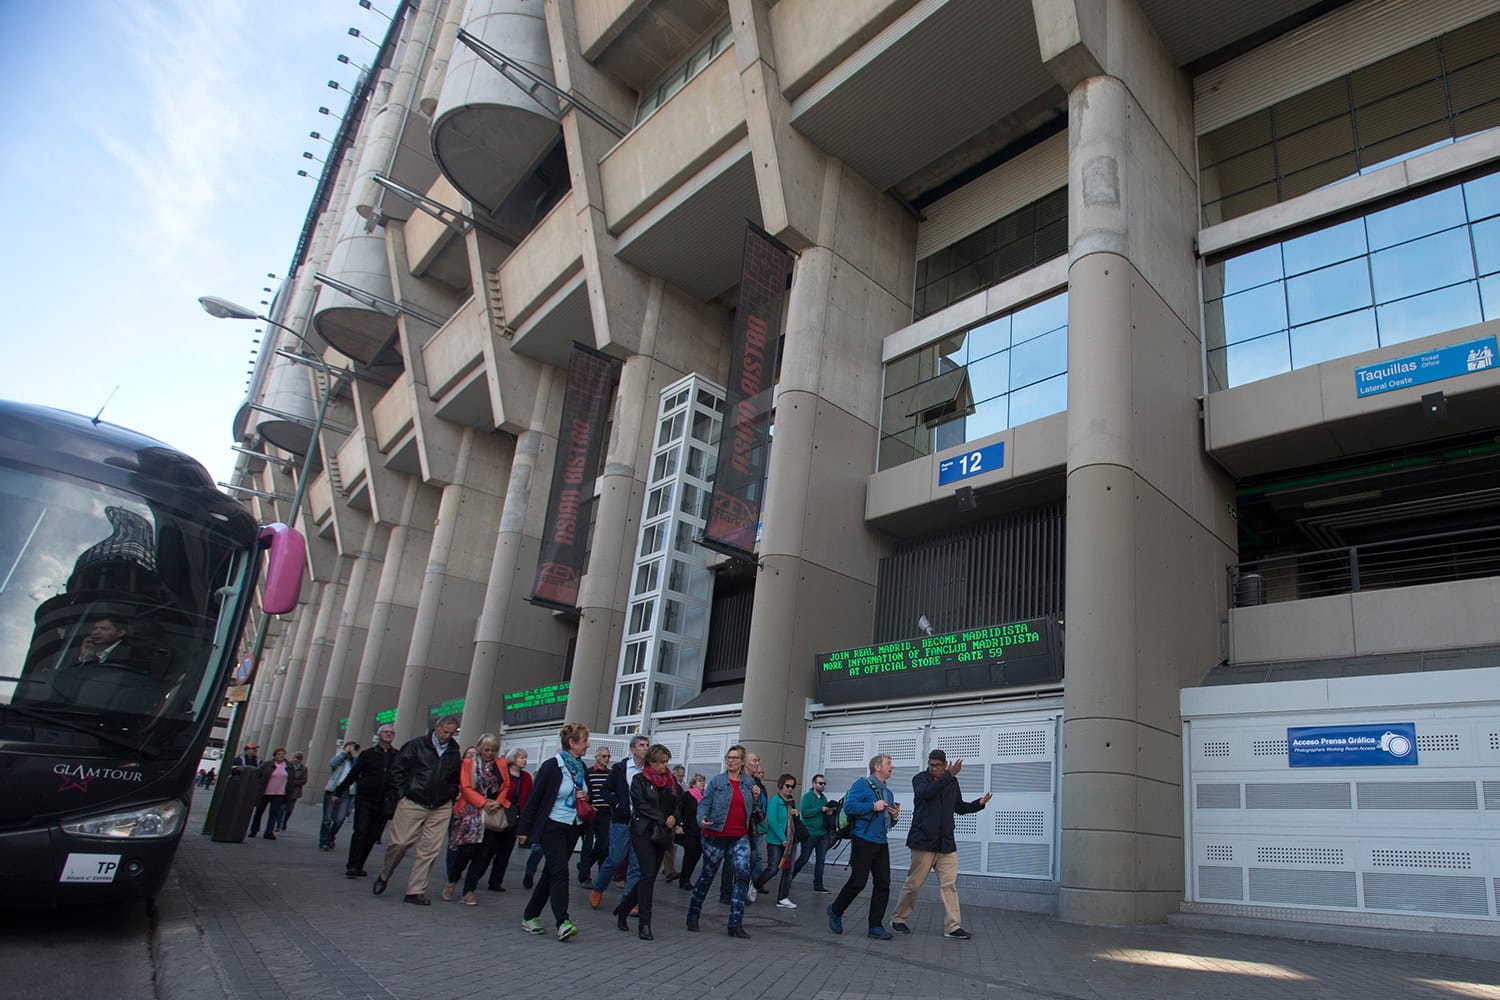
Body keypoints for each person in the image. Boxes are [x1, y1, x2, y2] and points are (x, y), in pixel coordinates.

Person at [890, 749, 991, 940]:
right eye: (931, 765)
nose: (933, 768)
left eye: (938, 765)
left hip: (946, 845)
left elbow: (959, 807)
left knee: (949, 885)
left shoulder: (951, 782)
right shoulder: (920, 779)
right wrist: (949, 775)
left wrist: (979, 803)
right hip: (923, 843)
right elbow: (926, 794)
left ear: (944, 765)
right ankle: (898, 919)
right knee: (914, 884)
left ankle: (953, 926)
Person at [372, 715, 462, 905]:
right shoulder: (416, 745)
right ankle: (385, 873)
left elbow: (454, 777)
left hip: (440, 805)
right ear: (436, 728)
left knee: (429, 850)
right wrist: (402, 795)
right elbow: (398, 770)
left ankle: (415, 890)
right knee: (400, 843)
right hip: (413, 800)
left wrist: (450, 796)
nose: (447, 736)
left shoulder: (454, 751)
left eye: (452, 733)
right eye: (445, 731)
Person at [517, 722, 591, 941]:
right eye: (584, 741)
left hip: (573, 826)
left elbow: (588, 793)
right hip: (552, 825)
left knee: (551, 872)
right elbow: (535, 799)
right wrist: (524, 830)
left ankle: (530, 916)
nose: (587, 745)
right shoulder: (552, 766)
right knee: (560, 871)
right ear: (571, 742)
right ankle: (563, 921)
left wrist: (586, 797)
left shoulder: (581, 767)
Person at [827, 753, 901, 940]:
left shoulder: (889, 792)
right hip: (863, 840)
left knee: (883, 884)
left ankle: (875, 926)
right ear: (877, 766)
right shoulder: (862, 784)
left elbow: (888, 824)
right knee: (858, 882)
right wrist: (872, 806)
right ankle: (835, 910)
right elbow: (850, 807)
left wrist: (894, 817)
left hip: (881, 842)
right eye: (888, 763)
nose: (892, 767)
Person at [686, 745, 756, 939]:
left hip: (739, 835)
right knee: (708, 875)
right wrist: (702, 819)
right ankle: (693, 914)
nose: (731, 761)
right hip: (716, 834)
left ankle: (735, 923)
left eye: (735, 758)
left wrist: (757, 798)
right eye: (729, 757)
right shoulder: (717, 781)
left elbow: (755, 809)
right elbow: (705, 804)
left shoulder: (749, 783)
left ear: (742, 762)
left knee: (742, 876)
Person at [612, 744, 677, 940]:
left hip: (661, 833)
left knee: (648, 876)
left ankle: (623, 909)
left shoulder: (670, 782)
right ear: (652, 762)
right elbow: (640, 805)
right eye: (662, 762)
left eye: (667, 762)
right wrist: (661, 817)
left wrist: (674, 817)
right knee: (647, 873)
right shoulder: (639, 780)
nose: (665, 766)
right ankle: (644, 923)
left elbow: (677, 803)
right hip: (642, 831)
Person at [443, 733, 511, 906]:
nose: (489, 753)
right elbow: (465, 788)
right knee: (466, 852)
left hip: (492, 812)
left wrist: (498, 801)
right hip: (472, 811)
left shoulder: (501, 763)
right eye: (487, 750)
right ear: (480, 748)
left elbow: (506, 785)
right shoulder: (468, 763)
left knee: (484, 854)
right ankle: (453, 879)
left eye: (493, 750)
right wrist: (482, 803)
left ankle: (469, 890)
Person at [589, 734, 648, 909]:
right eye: (641, 745)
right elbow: (605, 790)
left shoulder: (648, 770)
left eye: (647, 745)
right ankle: (598, 888)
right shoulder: (621, 768)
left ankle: (629, 901)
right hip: (621, 820)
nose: (645, 748)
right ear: (632, 749)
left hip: (641, 822)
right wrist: (617, 804)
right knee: (615, 858)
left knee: (636, 864)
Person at [336, 724, 397, 878]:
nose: (389, 734)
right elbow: (354, 774)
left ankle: (360, 864)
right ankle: (353, 865)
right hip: (365, 798)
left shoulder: (396, 756)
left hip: (383, 800)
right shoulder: (368, 754)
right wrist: (339, 792)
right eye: (386, 732)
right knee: (360, 831)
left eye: (391, 732)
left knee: (373, 834)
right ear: (379, 735)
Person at [722, 750, 766, 903]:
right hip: (732, 827)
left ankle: (741, 889)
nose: (757, 764)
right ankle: (726, 893)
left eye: (758, 761)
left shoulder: (753, 782)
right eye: (754, 760)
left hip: (748, 828)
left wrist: (755, 799)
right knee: (730, 860)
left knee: (751, 858)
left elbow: (755, 807)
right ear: (744, 762)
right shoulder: (734, 779)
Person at [754, 773, 800, 908]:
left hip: (791, 840)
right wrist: (782, 838)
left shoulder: (792, 802)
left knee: (788, 870)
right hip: (776, 841)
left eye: (792, 786)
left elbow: (793, 821)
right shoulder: (775, 800)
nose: (790, 789)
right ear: (781, 785)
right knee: (773, 868)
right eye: (787, 786)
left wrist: (797, 814)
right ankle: (755, 884)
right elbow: (772, 821)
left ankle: (783, 897)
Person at [792, 773, 834, 893]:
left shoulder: (824, 798)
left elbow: (823, 814)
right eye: (820, 783)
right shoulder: (807, 797)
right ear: (814, 784)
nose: (822, 786)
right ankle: (788, 878)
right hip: (810, 833)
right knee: (804, 858)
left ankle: (818, 885)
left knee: (821, 860)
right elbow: (805, 813)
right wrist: (820, 809)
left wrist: (828, 812)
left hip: (822, 834)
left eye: (824, 784)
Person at [578, 747, 612, 885]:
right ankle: (584, 876)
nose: (606, 759)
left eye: (608, 756)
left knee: (603, 846)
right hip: (591, 811)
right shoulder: (589, 773)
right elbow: (585, 790)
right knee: (587, 844)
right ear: (597, 757)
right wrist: (588, 802)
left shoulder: (611, 774)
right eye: (603, 756)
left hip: (605, 813)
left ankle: (588, 868)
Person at [319, 741, 360, 851]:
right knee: (327, 818)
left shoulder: (354, 762)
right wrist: (344, 753)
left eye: (353, 748)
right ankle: (324, 841)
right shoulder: (339, 758)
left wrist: (355, 757)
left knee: (340, 818)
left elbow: (359, 770)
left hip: (347, 792)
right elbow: (333, 764)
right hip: (333, 789)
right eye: (349, 747)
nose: (351, 749)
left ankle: (331, 836)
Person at [248, 747, 292, 839]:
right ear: (275, 755)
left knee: (274, 812)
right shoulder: (267, 765)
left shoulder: (289, 766)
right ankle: (254, 830)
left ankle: (269, 832)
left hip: (279, 793)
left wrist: (288, 794)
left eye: (283, 754)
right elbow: (259, 775)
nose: (281, 756)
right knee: (259, 811)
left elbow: (291, 780)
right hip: (265, 792)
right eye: (279, 754)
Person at [675, 772, 705, 891]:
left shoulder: (703, 797)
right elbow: (682, 811)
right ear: (693, 783)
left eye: (703, 781)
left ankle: (687, 877)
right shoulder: (688, 795)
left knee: (697, 855)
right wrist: (680, 825)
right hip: (690, 830)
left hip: (700, 831)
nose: (702, 783)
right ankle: (684, 880)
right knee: (690, 855)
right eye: (699, 781)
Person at [661, 763, 686, 883]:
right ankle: (668, 871)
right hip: (666, 819)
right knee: (667, 846)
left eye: (682, 776)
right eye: (679, 775)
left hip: (673, 820)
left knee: (669, 846)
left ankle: (668, 870)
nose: (680, 778)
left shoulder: (680, 787)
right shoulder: (669, 785)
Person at [279, 751, 308, 831]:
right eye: (292, 757)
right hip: (284, 790)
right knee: (281, 808)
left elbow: (304, 780)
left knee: (289, 809)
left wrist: (293, 782)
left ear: (299, 760)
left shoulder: (303, 769)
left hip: (294, 791)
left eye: (295, 758)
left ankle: (284, 821)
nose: (293, 759)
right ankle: (278, 824)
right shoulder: (287, 766)